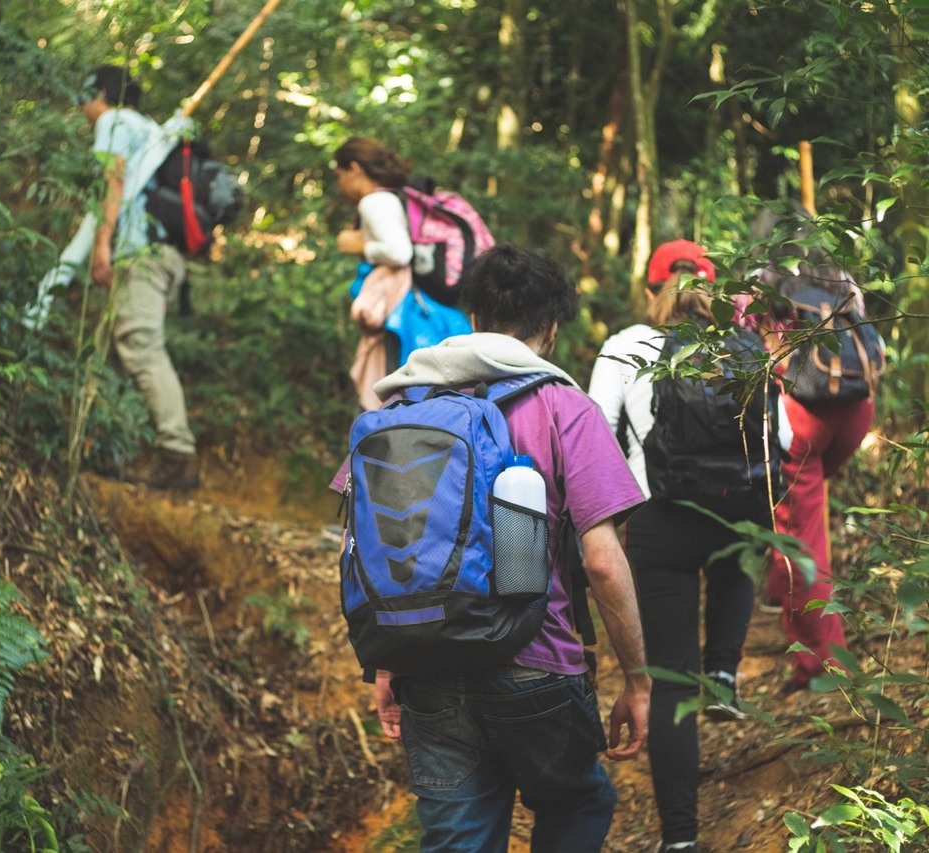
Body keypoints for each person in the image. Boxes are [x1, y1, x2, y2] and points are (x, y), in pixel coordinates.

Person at [336, 244, 650, 852]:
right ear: (552, 328)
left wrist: (387, 661)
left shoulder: (400, 407)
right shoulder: (566, 408)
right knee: (580, 803)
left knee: (458, 840)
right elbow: (603, 563)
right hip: (539, 664)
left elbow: (369, 544)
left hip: (424, 662)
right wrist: (638, 681)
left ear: (473, 318)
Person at [588, 240, 781, 853]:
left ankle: (680, 839)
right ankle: (724, 668)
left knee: (669, 682)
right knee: (734, 554)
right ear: (714, 289)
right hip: (739, 508)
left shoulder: (626, 346)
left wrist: (612, 517)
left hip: (661, 520)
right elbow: (779, 438)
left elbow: (599, 437)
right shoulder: (748, 347)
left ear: (652, 289)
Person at [737, 254, 875, 694]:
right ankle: (787, 598)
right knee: (797, 524)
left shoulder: (762, 283)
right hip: (855, 410)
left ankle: (824, 665)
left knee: (802, 538)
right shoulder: (841, 278)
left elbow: (743, 342)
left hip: (803, 415)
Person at [80, 65, 199, 490]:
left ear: (99, 95)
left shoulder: (115, 122)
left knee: (140, 346)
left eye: (85, 98)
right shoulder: (152, 129)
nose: (83, 109)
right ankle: (94, 443)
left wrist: (102, 244)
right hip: (165, 254)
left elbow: (113, 182)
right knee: (116, 344)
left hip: (140, 252)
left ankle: (176, 454)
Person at [331, 136, 470, 410]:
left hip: (399, 310)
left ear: (355, 169)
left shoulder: (375, 202)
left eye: (340, 175)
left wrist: (359, 244)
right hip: (410, 306)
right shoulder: (395, 198)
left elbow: (399, 253)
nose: (340, 184)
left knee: (394, 398)